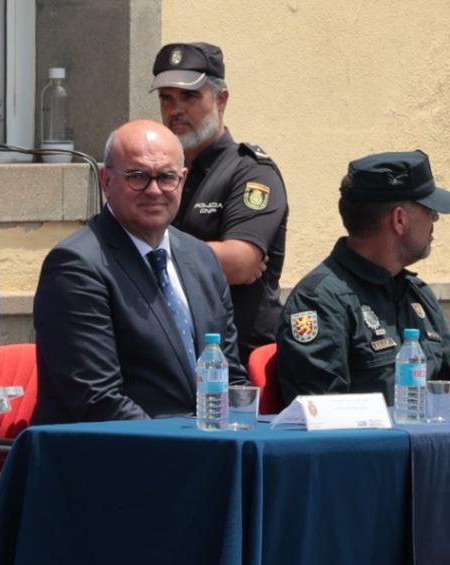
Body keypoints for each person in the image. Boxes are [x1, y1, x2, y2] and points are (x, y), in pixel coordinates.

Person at [32, 119, 246, 426]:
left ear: (183, 180)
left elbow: (231, 378)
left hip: (202, 452)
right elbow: (99, 400)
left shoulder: (202, 260)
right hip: (117, 457)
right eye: (138, 176)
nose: (154, 190)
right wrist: (187, 449)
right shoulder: (76, 266)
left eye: (166, 177)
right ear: (106, 180)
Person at [276, 150, 450, 399]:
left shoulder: (418, 295)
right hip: (374, 439)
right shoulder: (319, 302)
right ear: (399, 220)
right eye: (429, 211)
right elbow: (322, 415)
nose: (435, 220)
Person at [152, 42, 288, 350]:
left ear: (221, 99)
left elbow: (240, 263)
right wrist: (211, 256)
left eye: (190, 96)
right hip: (176, 351)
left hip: (237, 359)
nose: (175, 110)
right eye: (166, 98)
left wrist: (150, 255)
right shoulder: (157, 173)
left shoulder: (250, 171)